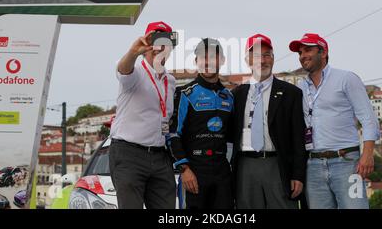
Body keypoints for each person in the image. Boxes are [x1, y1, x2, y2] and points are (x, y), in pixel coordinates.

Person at [289, 33, 380, 209]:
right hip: (313, 165)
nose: (302, 56)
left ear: (323, 53)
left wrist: (368, 155)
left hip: (346, 162)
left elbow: (368, 119)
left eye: (308, 50)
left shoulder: (346, 78)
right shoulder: (300, 87)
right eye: (300, 52)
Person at [230, 34, 306, 209]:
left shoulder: (291, 93)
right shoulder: (237, 95)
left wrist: (298, 175)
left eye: (266, 55)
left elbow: (298, 138)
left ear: (272, 59)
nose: (262, 61)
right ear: (247, 60)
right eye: (256, 56)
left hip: (277, 165)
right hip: (245, 166)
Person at [109, 21, 177, 209]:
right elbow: (124, 69)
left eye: (165, 43)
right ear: (146, 45)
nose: (160, 48)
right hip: (129, 153)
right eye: (155, 41)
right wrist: (132, 52)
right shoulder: (135, 73)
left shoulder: (170, 81)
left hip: (160, 155)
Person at [167, 38, 234, 209]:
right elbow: (172, 134)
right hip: (194, 170)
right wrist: (184, 169)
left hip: (222, 172)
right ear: (197, 61)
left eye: (212, 57)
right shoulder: (184, 94)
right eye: (202, 57)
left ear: (222, 61)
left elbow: (233, 137)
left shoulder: (230, 96)